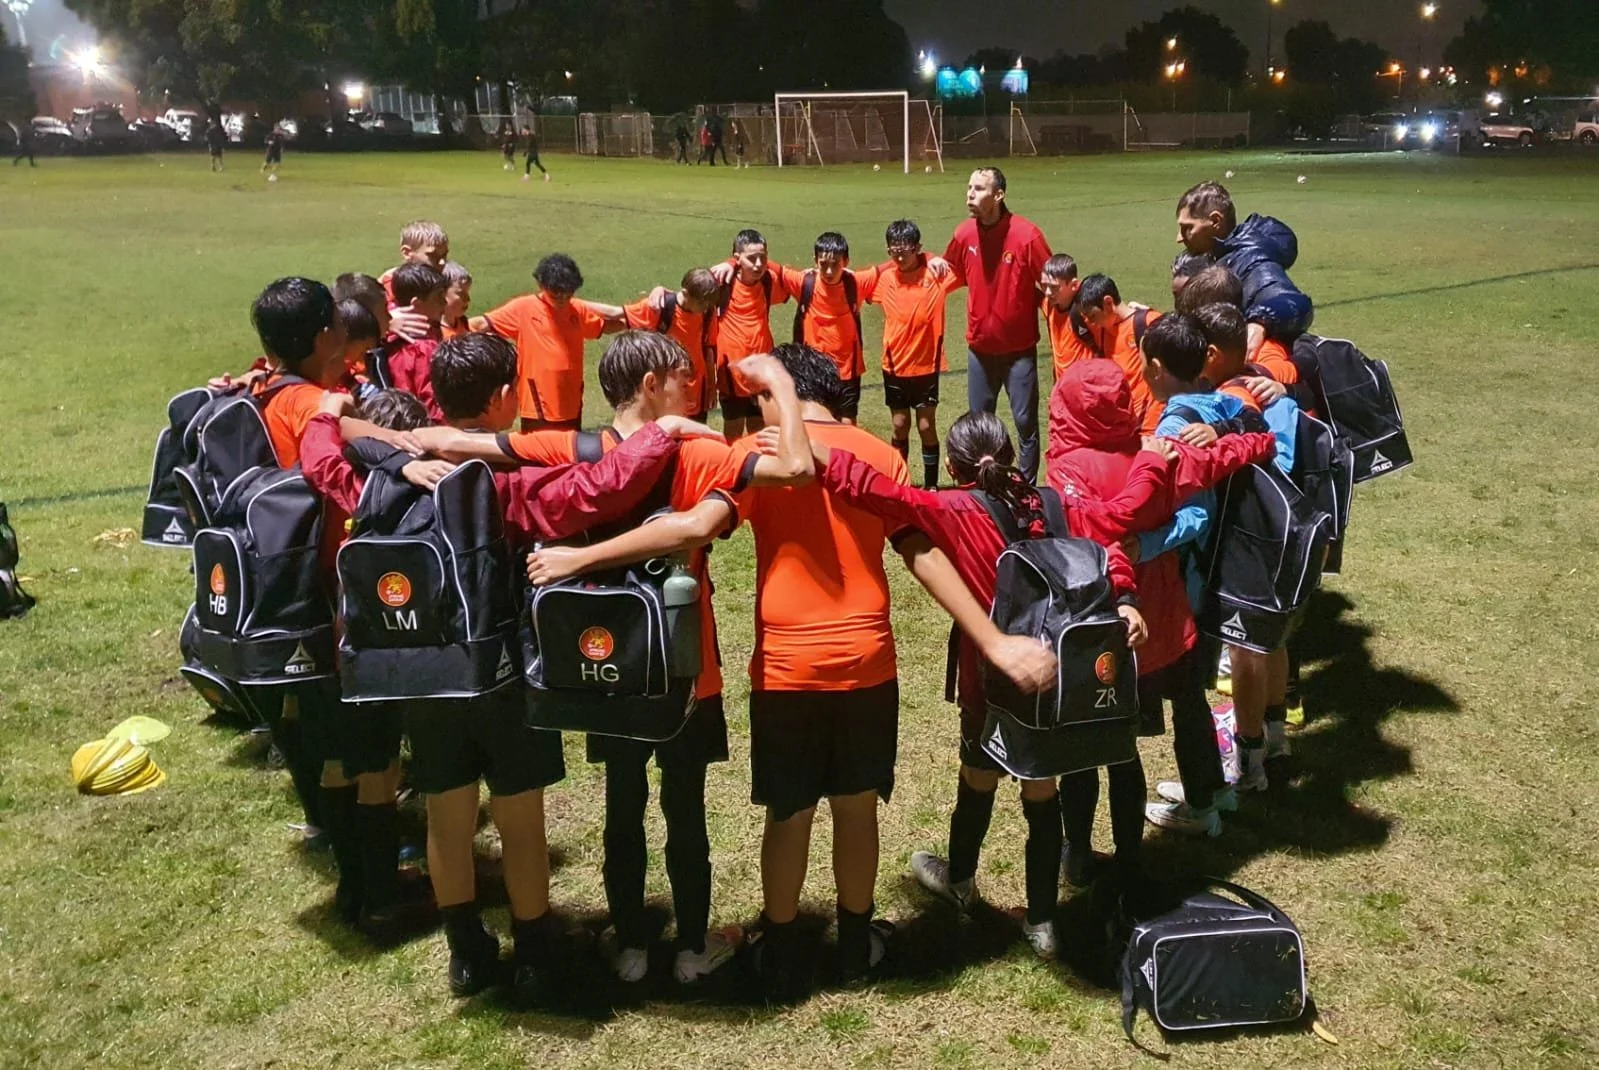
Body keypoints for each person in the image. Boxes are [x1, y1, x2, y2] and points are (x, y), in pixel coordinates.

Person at [303, 332, 702, 1002]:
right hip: (501, 672)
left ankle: (465, 952)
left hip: (419, 675)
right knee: (519, 815)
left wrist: (331, 411)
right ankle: (535, 943)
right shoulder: (502, 481)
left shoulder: (380, 480)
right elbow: (601, 489)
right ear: (499, 399)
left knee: (446, 813)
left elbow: (320, 461)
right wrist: (662, 432)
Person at [506, 333, 814, 986]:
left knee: (622, 804)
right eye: (684, 377)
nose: (694, 388)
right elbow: (789, 468)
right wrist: (780, 388)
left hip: (605, 665)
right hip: (683, 666)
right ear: (652, 385)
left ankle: (632, 947)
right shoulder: (697, 451)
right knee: (685, 808)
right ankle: (695, 948)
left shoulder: (582, 453)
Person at [809, 409, 1155, 956]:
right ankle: (1042, 922)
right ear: (1012, 454)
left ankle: (960, 880)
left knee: (977, 776)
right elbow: (1110, 545)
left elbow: (875, 490)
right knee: (1042, 789)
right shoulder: (1057, 502)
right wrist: (1128, 598)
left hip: (990, 676)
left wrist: (806, 442)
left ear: (951, 464)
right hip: (1056, 675)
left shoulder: (954, 508)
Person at [1048, 356, 1275, 844]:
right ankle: (1206, 796)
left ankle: (1085, 851)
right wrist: (1243, 439)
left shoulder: (1068, 471)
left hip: (1108, 620)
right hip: (1170, 617)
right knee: (1188, 703)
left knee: (1108, 739)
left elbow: (1087, 527)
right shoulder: (1163, 452)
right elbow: (1241, 452)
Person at [941, 167, 1053, 482]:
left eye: (978, 189)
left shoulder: (1027, 235)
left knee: (1025, 423)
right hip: (979, 350)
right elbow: (951, 272)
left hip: (1019, 351)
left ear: (999, 195)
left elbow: (1051, 283)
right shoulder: (964, 234)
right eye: (969, 188)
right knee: (980, 425)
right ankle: (981, 487)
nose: (970, 195)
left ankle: (1027, 488)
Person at [470, 253, 626, 430]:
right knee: (536, 453)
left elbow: (604, 326)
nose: (562, 299)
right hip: (537, 405)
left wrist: (635, 321)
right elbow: (478, 324)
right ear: (541, 285)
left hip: (571, 401)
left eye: (568, 294)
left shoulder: (575, 310)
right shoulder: (523, 308)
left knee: (569, 451)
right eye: (556, 294)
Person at [864, 219, 960, 488]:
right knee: (899, 425)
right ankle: (900, 483)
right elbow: (858, 283)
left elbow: (964, 267)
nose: (899, 256)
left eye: (905, 250)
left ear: (918, 248)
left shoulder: (936, 275)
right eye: (893, 250)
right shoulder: (885, 279)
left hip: (926, 367)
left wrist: (932, 259)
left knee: (927, 426)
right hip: (894, 366)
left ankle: (931, 485)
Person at [1175, 181, 1313, 360]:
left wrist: (1259, 324)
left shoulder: (1251, 260)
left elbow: (1296, 303)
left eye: (1188, 227)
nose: (1179, 238)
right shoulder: (1217, 255)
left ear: (1215, 221)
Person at [711, 229, 791, 438]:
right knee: (734, 433)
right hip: (732, 372)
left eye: (762, 258)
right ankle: (735, 470)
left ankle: (757, 471)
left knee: (760, 430)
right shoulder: (722, 282)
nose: (758, 264)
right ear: (738, 259)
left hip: (762, 370)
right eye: (751, 259)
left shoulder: (768, 281)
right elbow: (690, 292)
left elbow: (792, 283)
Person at [1072, 274, 1164, 434]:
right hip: (1122, 427)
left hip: (1152, 428)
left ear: (1108, 302)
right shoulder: (1102, 330)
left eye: (1092, 315)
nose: (1089, 322)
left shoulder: (1147, 323)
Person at [626, 268, 721, 422]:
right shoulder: (664, 308)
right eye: (702, 303)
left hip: (697, 387)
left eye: (709, 304)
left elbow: (709, 349)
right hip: (666, 388)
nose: (705, 307)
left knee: (694, 436)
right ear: (686, 293)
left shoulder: (708, 312)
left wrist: (711, 387)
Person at [379, 263, 450, 422]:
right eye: (439, 298)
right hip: (422, 429)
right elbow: (432, 404)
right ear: (417, 304)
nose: (445, 303)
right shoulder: (422, 349)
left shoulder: (387, 335)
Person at [1040, 253, 1094, 382]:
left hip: (1085, 387)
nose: (1047, 292)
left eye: (1054, 287)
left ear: (1074, 285)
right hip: (1061, 387)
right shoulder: (1049, 304)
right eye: (1044, 285)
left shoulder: (1086, 311)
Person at [378, 220, 450, 305]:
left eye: (444, 255)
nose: (442, 262)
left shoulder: (444, 280)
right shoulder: (388, 288)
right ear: (407, 253)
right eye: (432, 255)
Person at [440, 262, 473, 340]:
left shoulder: (463, 322)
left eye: (468, 292)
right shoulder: (434, 334)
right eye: (461, 294)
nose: (468, 299)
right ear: (441, 294)